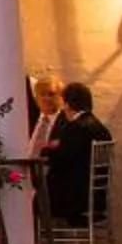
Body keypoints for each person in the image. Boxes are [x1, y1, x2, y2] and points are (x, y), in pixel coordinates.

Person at [43, 82, 110, 229]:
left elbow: (59, 160)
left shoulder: (76, 127)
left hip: (75, 200)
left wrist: (48, 149)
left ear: (67, 104)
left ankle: (36, 242)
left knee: (32, 199)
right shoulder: (99, 127)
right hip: (95, 198)